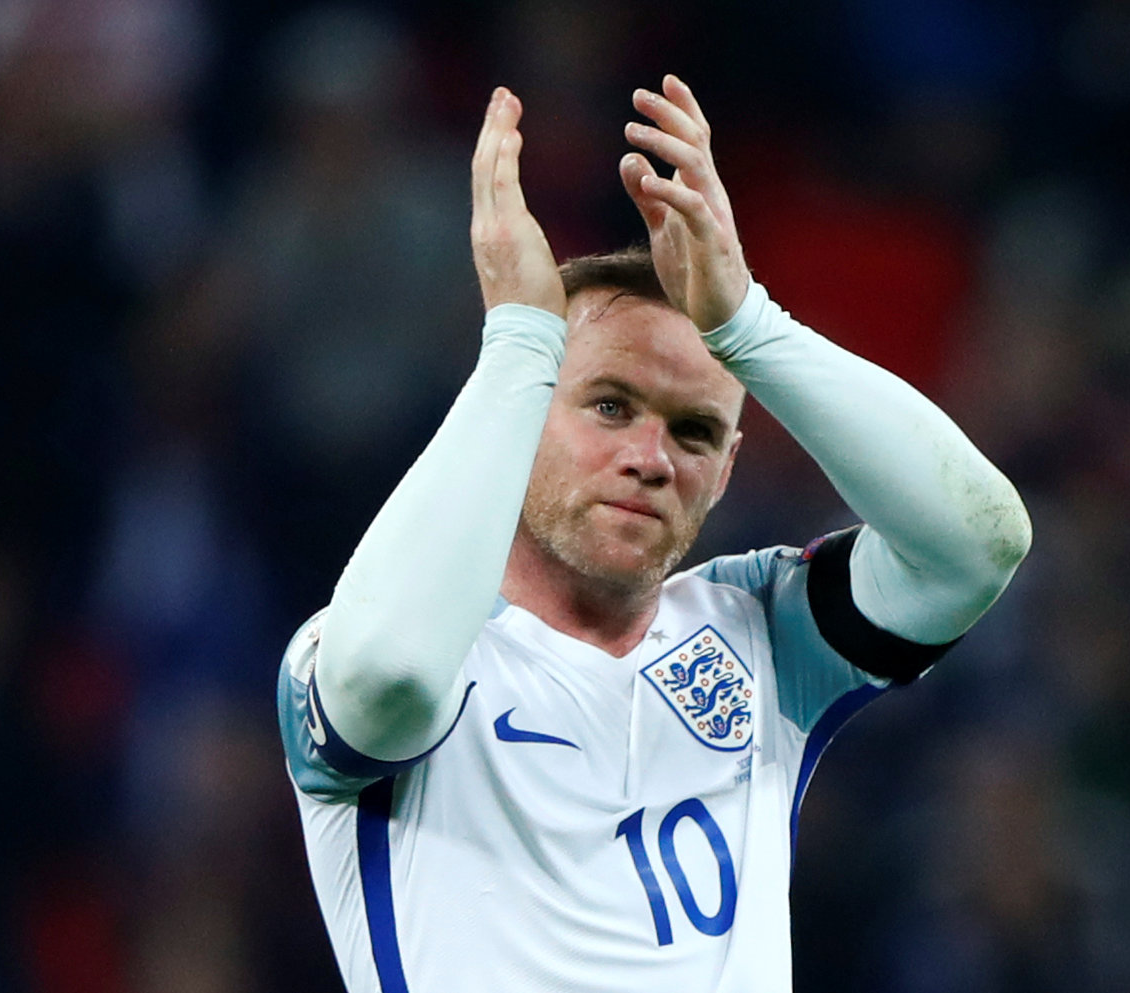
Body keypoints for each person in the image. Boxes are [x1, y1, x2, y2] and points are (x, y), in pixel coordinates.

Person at [277, 76, 1031, 993]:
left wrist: (750, 326)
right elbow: (386, 675)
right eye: (608, 404)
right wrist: (519, 339)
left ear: (727, 468)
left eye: (694, 431)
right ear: (519, 413)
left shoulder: (762, 635)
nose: (650, 457)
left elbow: (975, 544)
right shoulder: (365, 645)